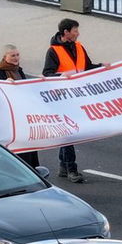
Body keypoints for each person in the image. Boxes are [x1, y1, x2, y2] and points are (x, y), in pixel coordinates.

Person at [42, 19, 99, 183]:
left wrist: (103, 66)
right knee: (69, 132)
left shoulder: (79, 46)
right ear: (65, 32)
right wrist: (61, 76)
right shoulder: (53, 51)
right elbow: (47, 73)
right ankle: (72, 168)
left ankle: (63, 166)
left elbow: (87, 67)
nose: (77, 33)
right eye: (75, 30)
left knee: (68, 132)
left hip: (77, 96)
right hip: (60, 97)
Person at [0, 45, 38, 170]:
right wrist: (5, 86)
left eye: (17, 55)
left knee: (28, 147)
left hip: (22, 116)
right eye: (12, 55)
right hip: (9, 120)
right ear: (5, 57)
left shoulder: (18, 70)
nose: (16, 58)